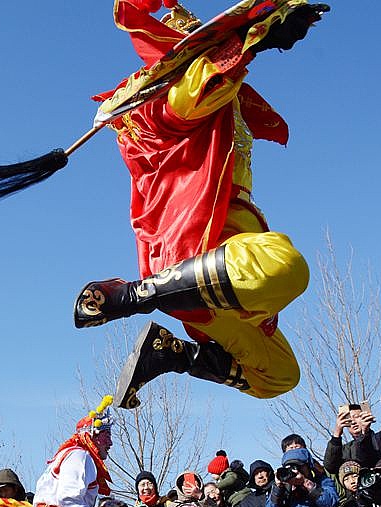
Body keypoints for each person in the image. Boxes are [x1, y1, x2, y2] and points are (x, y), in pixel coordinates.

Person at [72, 0, 326, 407]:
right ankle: (131, 296)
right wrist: (253, 38)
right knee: (287, 267)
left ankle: (172, 355)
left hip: (222, 285)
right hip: (203, 251)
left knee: (281, 375)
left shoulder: (218, 102)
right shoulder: (169, 102)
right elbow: (201, 86)